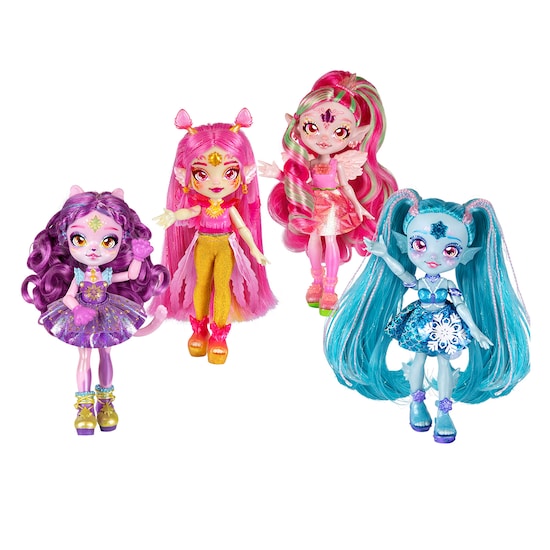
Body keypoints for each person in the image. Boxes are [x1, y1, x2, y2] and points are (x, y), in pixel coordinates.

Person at [323, 188, 530, 443]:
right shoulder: (420, 282)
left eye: (450, 251)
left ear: (465, 254)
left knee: (444, 363)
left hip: (446, 324)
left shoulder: (447, 285)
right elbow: (403, 275)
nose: (433, 256)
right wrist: (385, 254)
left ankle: (444, 411)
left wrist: (475, 330)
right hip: (420, 323)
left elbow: (461, 306)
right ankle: (416, 403)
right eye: (420, 245)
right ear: (405, 243)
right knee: (418, 360)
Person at [22, 186, 169, 435]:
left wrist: (138, 257)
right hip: (82, 315)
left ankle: (106, 403)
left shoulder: (108, 273)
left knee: (106, 354)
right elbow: (68, 297)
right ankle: (84, 407)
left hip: (108, 310)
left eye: (108, 241)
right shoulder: (78, 274)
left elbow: (130, 275)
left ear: (121, 240)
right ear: (65, 238)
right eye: (79, 239)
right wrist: (77, 309)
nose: (92, 248)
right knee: (84, 356)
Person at [261, 70, 397, 315]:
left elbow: (346, 186)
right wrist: (277, 174)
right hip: (312, 203)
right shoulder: (307, 162)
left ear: (355, 137)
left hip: (334, 205)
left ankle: (331, 287)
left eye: (339, 131)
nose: (324, 137)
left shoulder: (339, 164)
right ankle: (316, 280)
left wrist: (359, 206)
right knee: (314, 239)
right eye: (312, 127)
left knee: (331, 240)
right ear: (296, 128)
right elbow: (296, 179)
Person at [153, 108, 277, 364]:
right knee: (201, 283)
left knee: (222, 285)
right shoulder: (201, 205)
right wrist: (174, 216)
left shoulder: (230, 208)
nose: (216, 182)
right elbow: (189, 211)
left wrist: (255, 250)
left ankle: (219, 334)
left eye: (229, 173)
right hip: (203, 244)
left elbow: (242, 228)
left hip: (225, 245)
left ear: (243, 174)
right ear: (186, 176)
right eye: (202, 174)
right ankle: (199, 328)